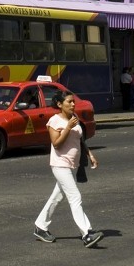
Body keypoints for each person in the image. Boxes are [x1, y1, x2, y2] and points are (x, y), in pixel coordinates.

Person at [33, 92, 103, 247]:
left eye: (73, 102)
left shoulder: (74, 118)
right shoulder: (55, 120)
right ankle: (87, 233)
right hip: (60, 165)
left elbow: (80, 140)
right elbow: (56, 143)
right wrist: (68, 127)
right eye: (69, 102)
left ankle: (40, 226)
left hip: (72, 165)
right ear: (59, 104)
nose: (73, 104)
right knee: (75, 196)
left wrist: (90, 155)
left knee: (57, 197)